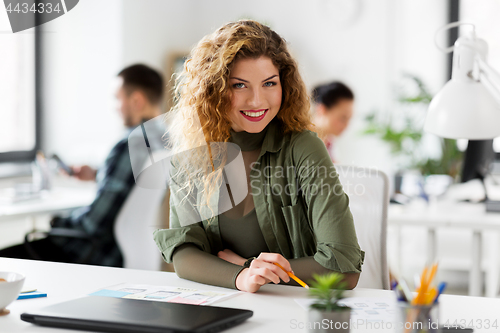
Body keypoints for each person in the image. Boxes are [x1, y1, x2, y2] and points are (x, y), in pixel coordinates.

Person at [153, 20, 364, 293]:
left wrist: (247, 266)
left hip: (296, 308)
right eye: (239, 85)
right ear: (213, 90)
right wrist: (241, 276)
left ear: (284, 85)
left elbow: (343, 269)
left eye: (269, 83)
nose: (257, 100)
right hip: (225, 306)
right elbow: (184, 255)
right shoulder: (189, 157)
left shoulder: (304, 148)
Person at [0, 64, 166, 267]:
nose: (114, 106)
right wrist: (98, 174)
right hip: (133, 252)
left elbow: (94, 222)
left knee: (6, 260)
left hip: (95, 254)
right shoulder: (162, 139)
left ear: (136, 100)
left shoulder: (131, 144)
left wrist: (57, 221)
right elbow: (130, 187)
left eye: (117, 98)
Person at [311, 81, 355, 162]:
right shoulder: (301, 142)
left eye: (349, 119)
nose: (346, 125)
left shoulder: (330, 145)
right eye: (343, 118)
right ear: (321, 110)